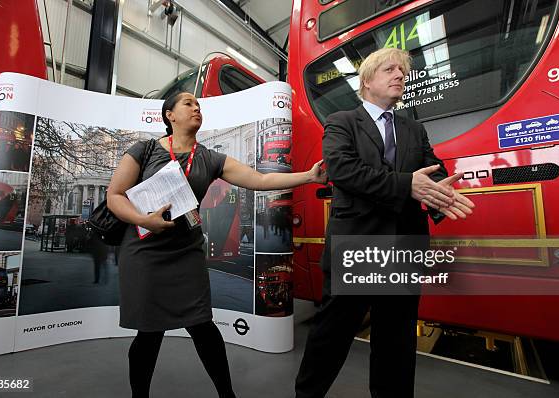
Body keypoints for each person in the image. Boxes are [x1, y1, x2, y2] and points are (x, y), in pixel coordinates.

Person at [107, 92, 327, 398]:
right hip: (145, 253)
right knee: (149, 333)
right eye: (187, 103)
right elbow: (115, 195)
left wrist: (307, 176)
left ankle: (227, 394)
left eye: (198, 105)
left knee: (202, 326)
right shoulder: (143, 150)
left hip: (185, 253)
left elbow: (259, 180)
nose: (196, 107)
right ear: (169, 115)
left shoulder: (209, 158)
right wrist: (143, 220)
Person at [294, 48, 475, 398]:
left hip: (405, 248)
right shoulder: (341, 122)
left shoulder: (414, 128)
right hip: (357, 247)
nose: (400, 76)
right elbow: (343, 171)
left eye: (403, 72)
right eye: (390, 70)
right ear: (366, 81)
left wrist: (441, 197)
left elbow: (433, 173)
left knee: (397, 343)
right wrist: (408, 184)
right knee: (330, 338)